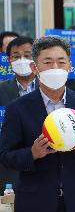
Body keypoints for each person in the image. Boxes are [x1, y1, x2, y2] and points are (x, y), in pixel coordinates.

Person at [0, 36, 75, 212]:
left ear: (70, 66)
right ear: (35, 67)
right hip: (35, 200)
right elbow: (5, 156)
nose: (55, 68)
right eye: (48, 62)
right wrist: (32, 153)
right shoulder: (17, 108)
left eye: (61, 62)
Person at [0, 36, 37, 194]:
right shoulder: (1, 89)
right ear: (9, 60)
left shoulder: (51, 88)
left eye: (27, 55)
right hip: (9, 169)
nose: (22, 60)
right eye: (16, 56)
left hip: (44, 166)